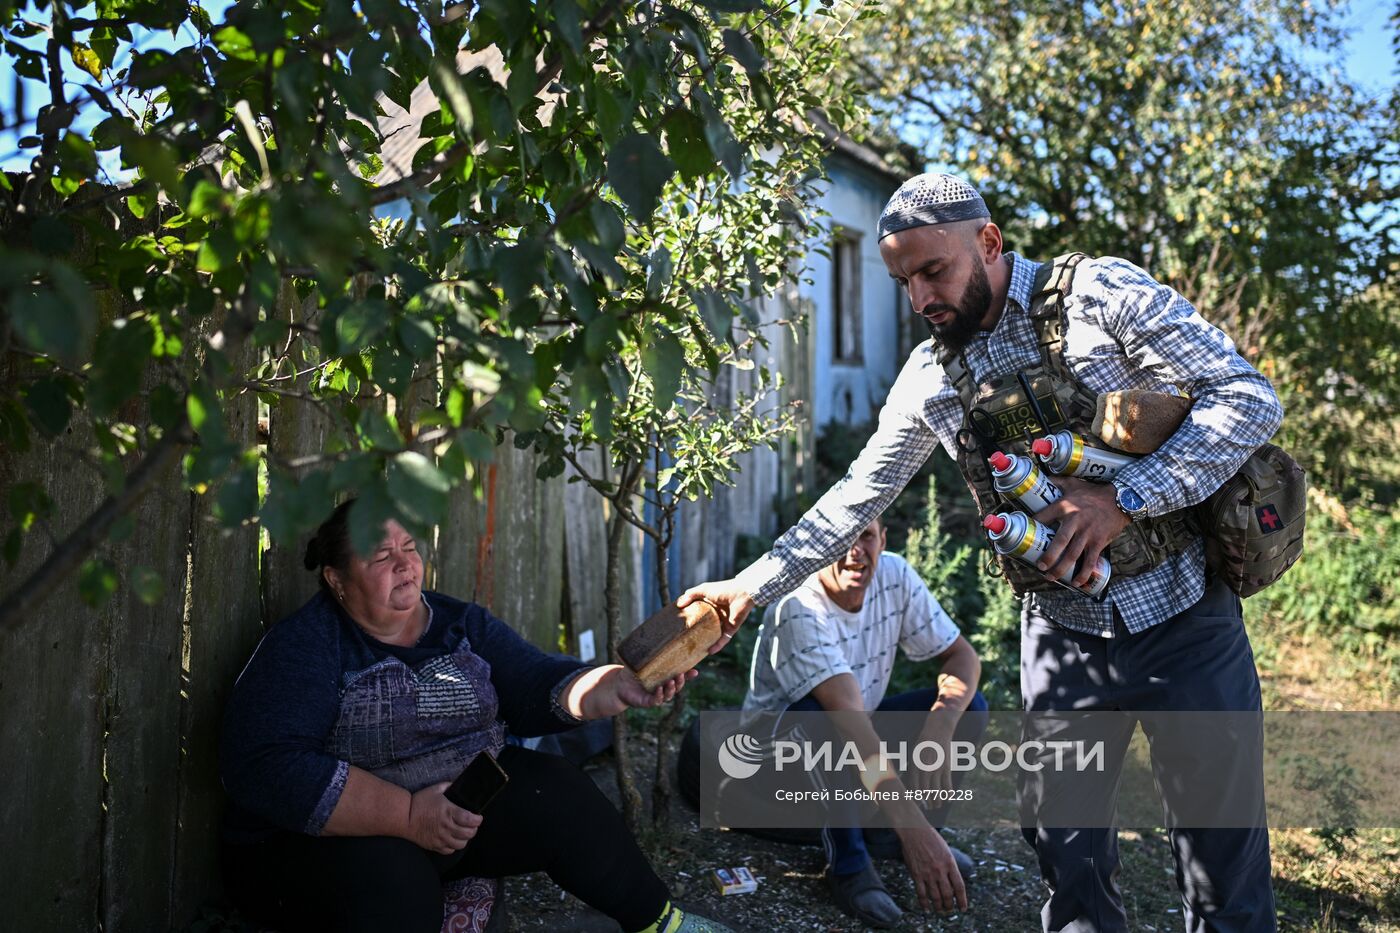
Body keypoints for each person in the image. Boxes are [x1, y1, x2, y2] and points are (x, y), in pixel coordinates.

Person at [681, 173, 1282, 931]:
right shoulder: (932, 375)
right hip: (1063, 636)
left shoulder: (1103, 294)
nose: (920, 297)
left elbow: (1248, 396)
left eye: (934, 271)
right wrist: (751, 586)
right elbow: (859, 494)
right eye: (903, 281)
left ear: (989, 242)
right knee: (1069, 862)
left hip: (1186, 613)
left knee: (1223, 860)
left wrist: (1125, 497)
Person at [220, 499, 731, 933]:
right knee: (398, 883)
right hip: (329, 846)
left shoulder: (460, 624)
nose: (404, 564)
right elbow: (265, 765)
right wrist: (407, 816)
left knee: (556, 790)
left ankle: (661, 922)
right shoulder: (305, 647)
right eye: (381, 556)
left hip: (454, 817)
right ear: (336, 579)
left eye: (410, 548)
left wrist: (616, 685)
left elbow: (537, 684)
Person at [742, 511, 987, 928]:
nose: (856, 552)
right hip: (772, 762)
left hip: (854, 735)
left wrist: (939, 727)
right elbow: (851, 726)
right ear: (818, 551)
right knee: (817, 718)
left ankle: (892, 838)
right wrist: (913, 827)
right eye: (840, 542)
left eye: (867, 537)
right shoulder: (798, 607)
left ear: (883, 540)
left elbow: (962, 657)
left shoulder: (894, 575)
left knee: (969, 706)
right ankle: (850, 866)